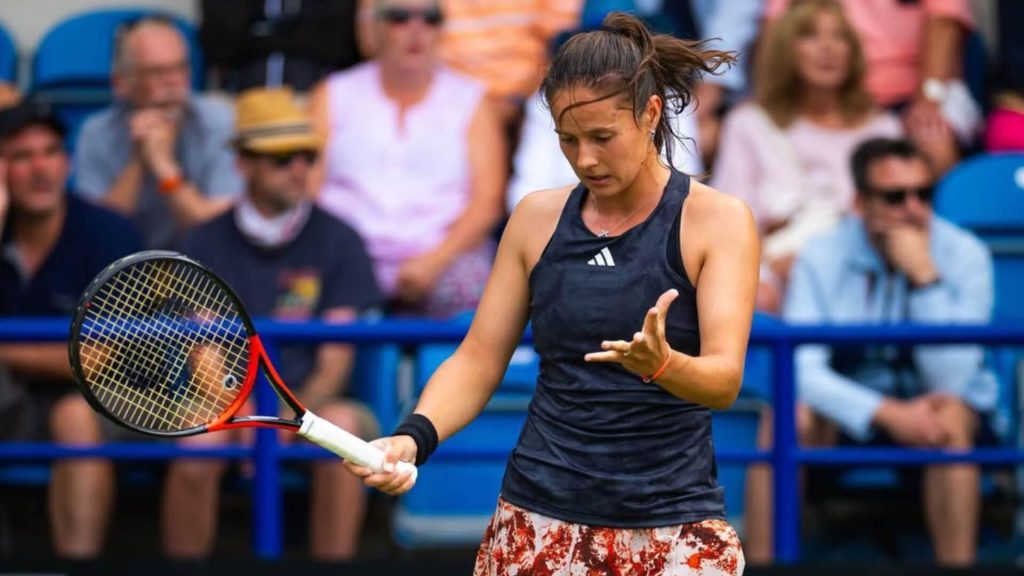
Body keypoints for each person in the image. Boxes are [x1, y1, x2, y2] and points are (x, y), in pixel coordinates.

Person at [345, 13, 759, 574]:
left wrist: (662, 364)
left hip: (673, 526)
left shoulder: (718, 220)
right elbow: (478, 359)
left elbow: (724, 380)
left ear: (651, 114)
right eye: (568, 139)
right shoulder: (535, 219)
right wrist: (413, 438)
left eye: (602, 137)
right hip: (536, 519)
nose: (585, 157)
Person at [743, 137, 997, 566]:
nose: (914, 209)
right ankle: (766, 566)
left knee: (951, 414)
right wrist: (888, 414)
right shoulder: (823, 254)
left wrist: (924, 281)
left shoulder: (964, 253)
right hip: (854, 414)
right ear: (860, 202)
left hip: (937, 415)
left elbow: (952, 381)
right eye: (895, 197)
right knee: (785, 418)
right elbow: (801, 371)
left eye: (924, 194)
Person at [176, 88, 382, 560]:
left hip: (312, 402)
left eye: (307, 156)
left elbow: (336, 358)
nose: (299, 169)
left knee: (345, 432)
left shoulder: (340, 238)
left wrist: (289, 421)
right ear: (243, 164)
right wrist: (248, 414)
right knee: (195, 441)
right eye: (281, 158)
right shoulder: (204, 241)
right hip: (226, 404)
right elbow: (203, 353)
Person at [0, 99, 143, 557]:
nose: (40, 169)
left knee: (74, 415)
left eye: (51, 152)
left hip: (105, 397)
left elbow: (97, 359)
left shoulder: (109, 233)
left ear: (69, 162)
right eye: (21, 157)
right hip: (13, 401)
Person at [311, 0, 507, 318]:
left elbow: (487, 202)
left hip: (444, 258)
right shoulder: (333, 94)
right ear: (373, 28)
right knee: (305, 291)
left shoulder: (471, 100)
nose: (416, 29)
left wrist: (434, 261)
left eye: (430, 18)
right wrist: (350, 263)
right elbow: (308, 190)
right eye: (399, 17)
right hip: (345, 255)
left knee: (480, 293)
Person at [711, 0, 902, 312]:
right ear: (786, 49)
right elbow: (726, 227)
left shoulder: (884, 130)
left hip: (861, 280)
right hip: (772, 283)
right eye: (810, 36)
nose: (827, 48)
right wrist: (764, 267)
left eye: (839, 37)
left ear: (853, 50)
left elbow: (897, 222)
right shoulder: (749, 125)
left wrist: (819, 264)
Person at [74, 16, 243, 249]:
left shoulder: (220, 121)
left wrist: (164, 166)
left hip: (199, 274)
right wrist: (138, 160)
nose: (173, 82)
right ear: (121, 82)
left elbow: (218, 238)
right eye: (156, 72)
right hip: (123, 273)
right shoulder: (96, 133)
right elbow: (95, 240)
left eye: (180, 68)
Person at [762, 0, 970, 173]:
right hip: (830, 95)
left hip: (916, 95)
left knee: (935, 145)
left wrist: (928, 99)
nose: (827, 45)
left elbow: (945, 22)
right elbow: (776, 29)